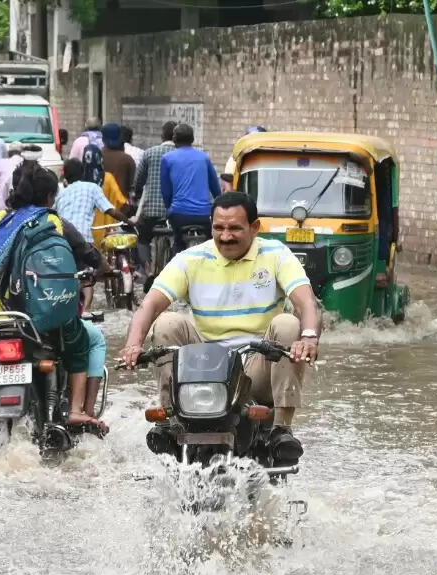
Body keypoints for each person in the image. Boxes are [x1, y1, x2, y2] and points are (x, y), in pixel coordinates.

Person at [118, 191, 319, 464]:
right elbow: (149, 306)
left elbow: (306, 303)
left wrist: (308, 337)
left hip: (256, 364)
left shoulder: (276, 255)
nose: (226, 236)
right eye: (219, 228)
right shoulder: (191, 259)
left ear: (255, 227)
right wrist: (133, 344)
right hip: (203, 365)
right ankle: (169, 419)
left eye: (235, 228)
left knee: (289, 324)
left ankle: (281, 429)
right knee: (166, 322)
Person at [0, 165, 107, 431]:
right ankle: (76, 411)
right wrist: (101, 271)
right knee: (83, 342)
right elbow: (89, 256)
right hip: (45, 314)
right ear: (49, 198)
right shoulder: (52, 221)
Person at [159, 122, 221, 250]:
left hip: (179, 214)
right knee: (210, 247)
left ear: (174, 139)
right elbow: (215, 187)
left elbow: (166, 191)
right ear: (192, 139)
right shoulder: (203, 158)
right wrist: (219, 204)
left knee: (178, 243)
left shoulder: (167, 159)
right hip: (204, 214)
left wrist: (169, 209)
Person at [130, 120, 177, 271]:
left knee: (142, 239)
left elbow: (139, 180)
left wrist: (137, 192)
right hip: (173, 210)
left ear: (162, 136)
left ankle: (147, 267)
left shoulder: (149, 153)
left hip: (151, 210)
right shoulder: (180, 155)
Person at [56, 157, 131, 240]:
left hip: (62, 241)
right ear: (83, 173)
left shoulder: (60, 194)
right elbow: (112, 212)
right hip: (83, 239)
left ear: (65, 176)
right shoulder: (92, 187)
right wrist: (128, 222)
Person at [100, 122, 137, 201]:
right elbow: (132, 184)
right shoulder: (127, 159)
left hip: (99, 206)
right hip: (120, 207)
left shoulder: (97, 156)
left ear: (103, 139)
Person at [0, 142, 25, 212]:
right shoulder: (28, 165)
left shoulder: (0, 162)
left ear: (9, 153)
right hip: (21, 211)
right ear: (22, 153)